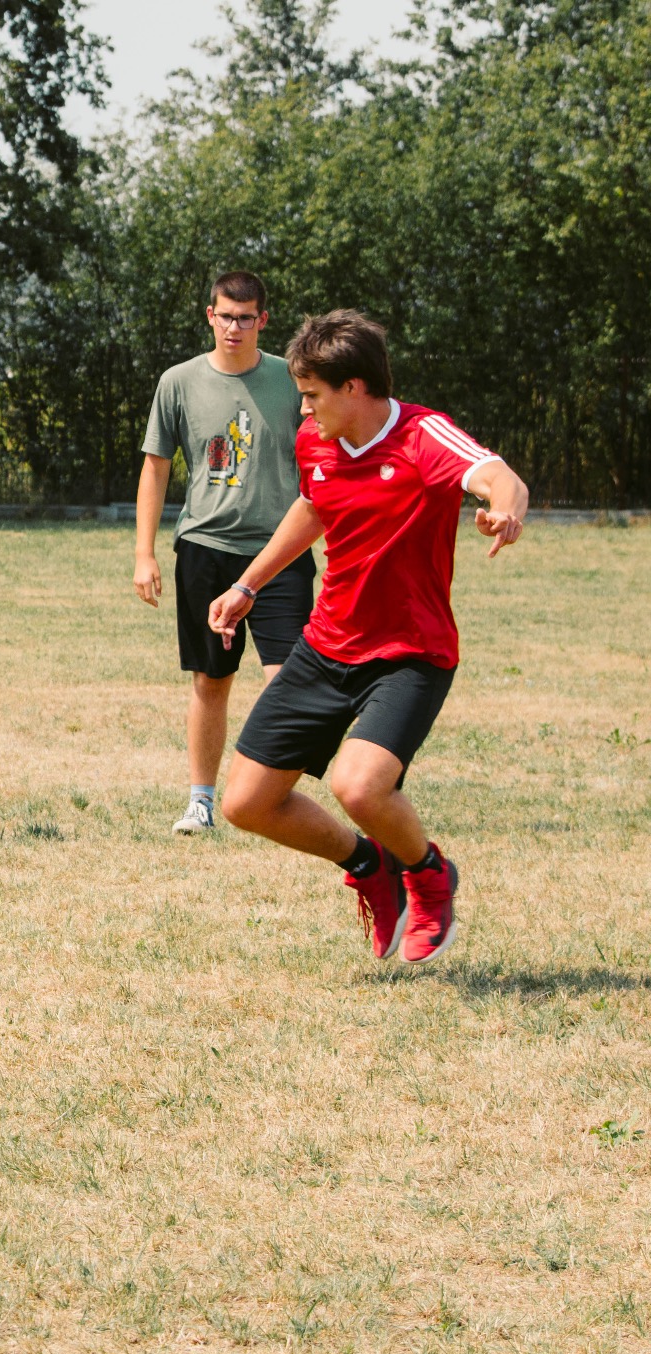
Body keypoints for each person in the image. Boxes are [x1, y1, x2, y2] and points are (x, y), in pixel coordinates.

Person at [210, 310, 527, 966]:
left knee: (360, 786)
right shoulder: (315, 442)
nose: (303, 407)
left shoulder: (422, 437)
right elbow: (315, 505)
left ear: (354, 387)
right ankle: (367, 864)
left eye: (312, 394)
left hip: (410, 653)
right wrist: (248, 584)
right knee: (244, 802)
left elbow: (499, 476)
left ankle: (429, 872)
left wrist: (505, 510)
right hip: (327, 645)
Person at [134, 270, 317, 837]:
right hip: (205, 549)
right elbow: (156, 466)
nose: (234, 327)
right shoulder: (179, 381)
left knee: (287, 678)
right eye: (225, 315)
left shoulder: (293, 382)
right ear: (209, 316)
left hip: (280, 552)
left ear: (263, 320)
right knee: (210, 682)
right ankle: (202, 801)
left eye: (246, 317)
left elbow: (322, 457)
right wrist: (144, 554)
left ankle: (268, 796)